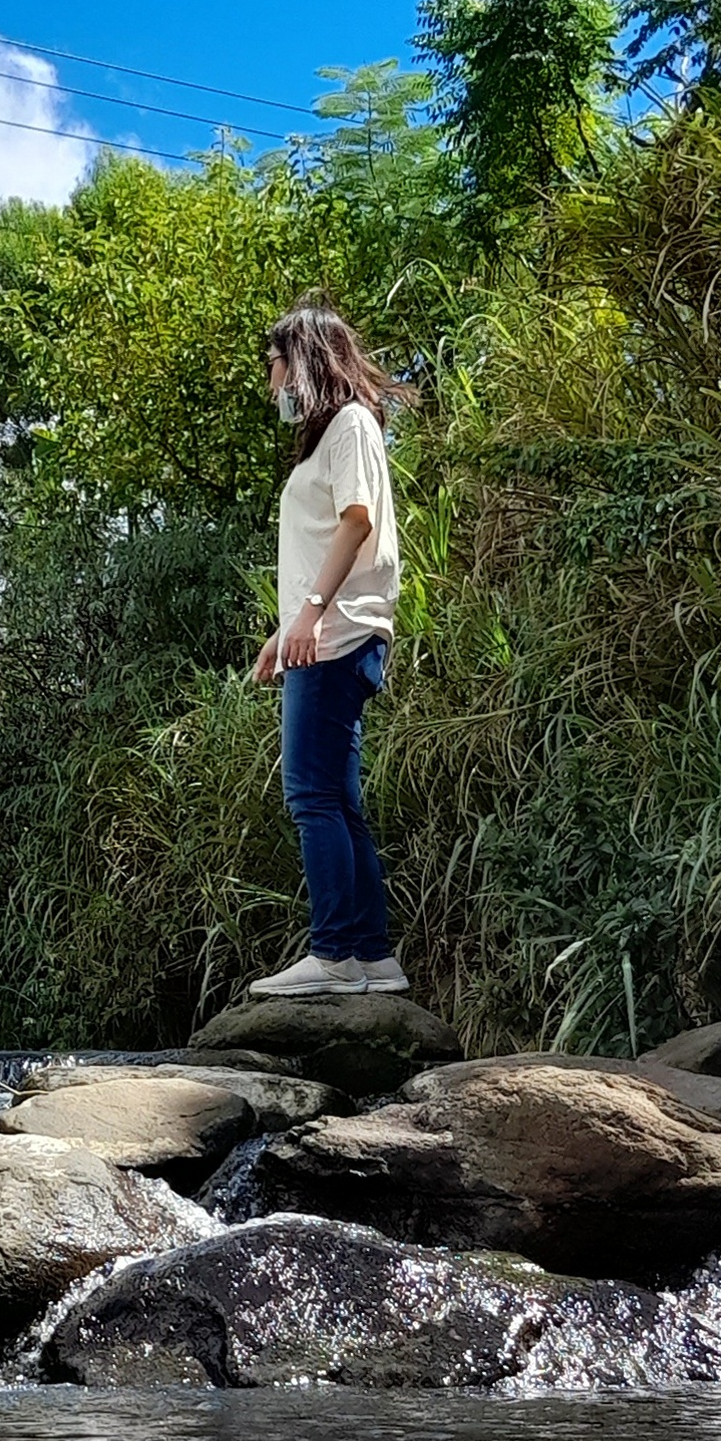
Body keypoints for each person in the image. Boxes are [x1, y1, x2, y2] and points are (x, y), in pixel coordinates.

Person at [249, 296, 409, 998]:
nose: (272, 384)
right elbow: (328, 537)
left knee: (310, 794)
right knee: (339, 801)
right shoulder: (337, 432)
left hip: (338, 633)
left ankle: (334, 953)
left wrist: (311, 614)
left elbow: (355, 522)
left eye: (275, 366)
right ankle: (372, 957)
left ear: (305, 360)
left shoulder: (349, 423)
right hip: (324, 633)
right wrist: (284, 632)